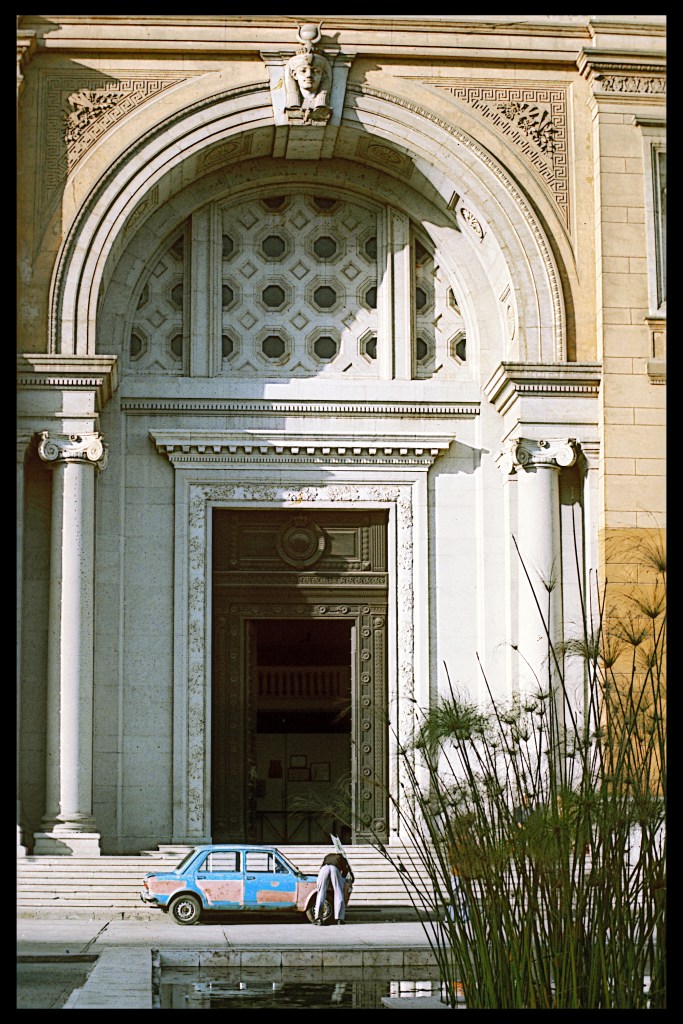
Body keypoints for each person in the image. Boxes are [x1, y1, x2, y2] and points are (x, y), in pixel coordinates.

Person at [314, 850, 354, 925]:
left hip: (324, 869)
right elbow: (345, 871)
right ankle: (339, 919)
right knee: (338, 893)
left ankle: (318, 918)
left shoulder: (328, 856)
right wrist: (342, 880)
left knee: (321, 893)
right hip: (335, 868)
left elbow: (321, 868)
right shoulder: (341, 858)